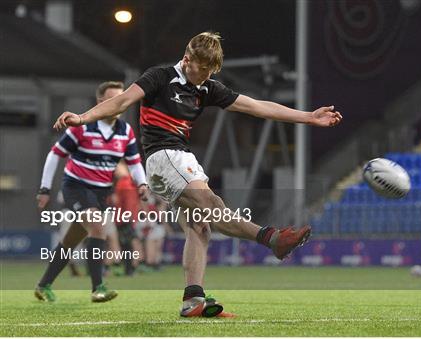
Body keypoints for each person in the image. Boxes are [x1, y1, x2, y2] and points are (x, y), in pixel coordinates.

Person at [53, 32, 343, 317]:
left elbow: (256, 107)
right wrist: (82, 118)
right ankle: (272, 239)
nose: (205, 75)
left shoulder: (207, 88)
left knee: (199, 226)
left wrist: (307, 117)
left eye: (211, 70)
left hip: (178, 158)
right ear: (187, 59)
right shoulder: (160, 77)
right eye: (201, 68)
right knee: (211, 205)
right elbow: (120, 102)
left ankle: (193, 298)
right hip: (163, 155)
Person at [36, 81, 149, 302]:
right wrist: (45, 188)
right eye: (113, 99)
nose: (119, 104)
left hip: (101, 192)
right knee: (98, 226)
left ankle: (43, 285)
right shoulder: (83, 126)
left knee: (70, 240)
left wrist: (142, 183)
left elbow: (134, 162)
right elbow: (55, 154)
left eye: (121, 99)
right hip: (76, 187)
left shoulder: (125, 131)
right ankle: (98, 287)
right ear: (101, 102)